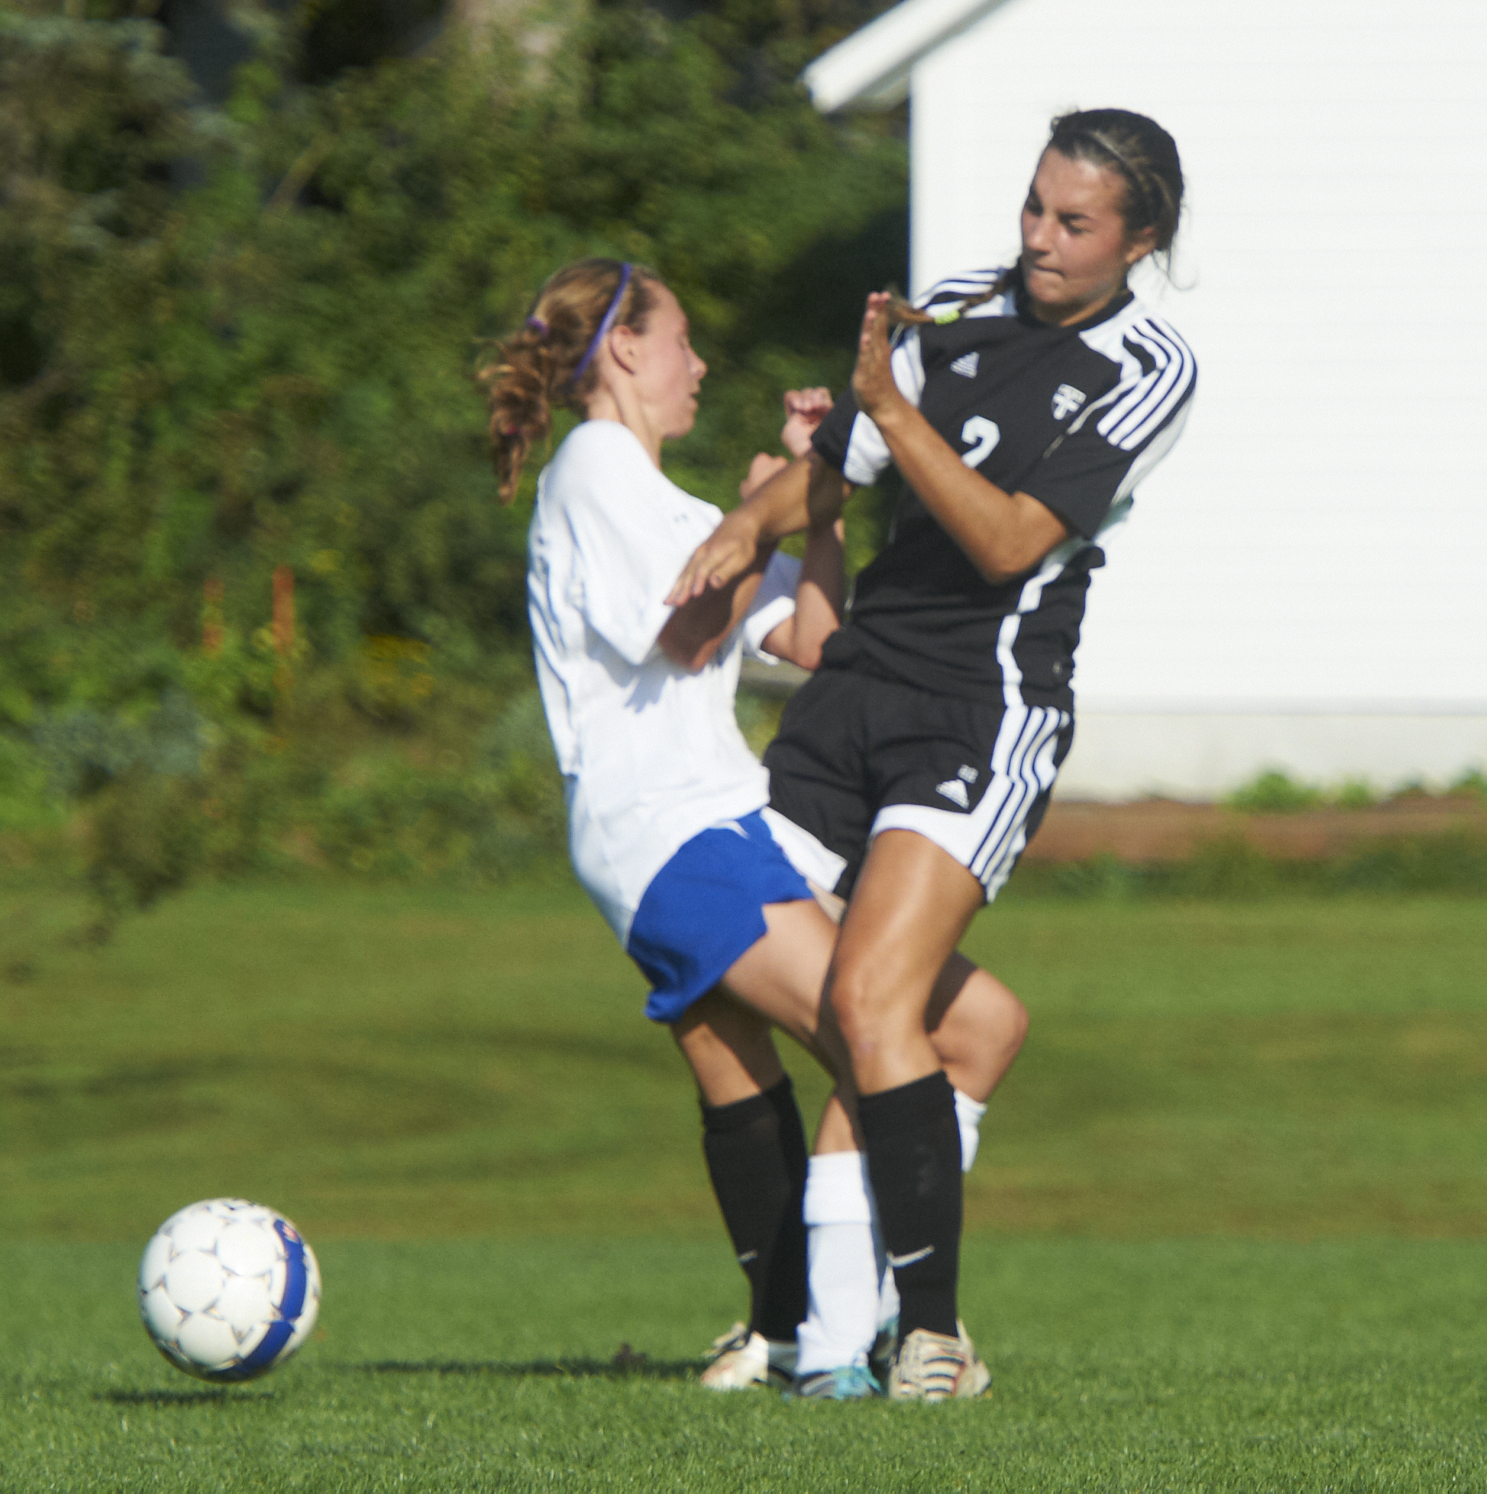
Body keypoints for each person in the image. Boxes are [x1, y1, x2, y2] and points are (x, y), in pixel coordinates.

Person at [669, 109, 1196, 1401]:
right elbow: (837, 472)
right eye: (1032, 207)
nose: (1039, 240)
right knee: (704, 972)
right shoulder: (960, 305)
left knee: (863, 1004)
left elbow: (1009, 540)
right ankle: (816, 1334)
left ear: (1141, 239)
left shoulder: (1150, 365)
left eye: (1073, 223)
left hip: (980, 707)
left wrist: (889, 413)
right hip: (854, 689)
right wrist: (745, 525)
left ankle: (925, 1337)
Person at [479, 258, 1029, 1402]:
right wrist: (772, 507)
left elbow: (818, 639)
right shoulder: (594, 470)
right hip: (669, 834)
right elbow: (682, 635)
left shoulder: (674, 508)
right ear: (623, 350)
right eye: (681, 340)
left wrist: (799, 511)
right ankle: (879, 1339)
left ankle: (797, 1330)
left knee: (974, 1023)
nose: (700, 364)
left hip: (722, 820)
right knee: (880, 1039)